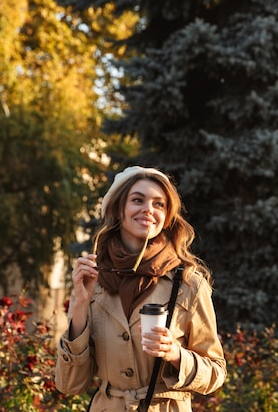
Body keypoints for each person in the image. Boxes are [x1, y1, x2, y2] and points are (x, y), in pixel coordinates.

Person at [55, 166, 226, 411]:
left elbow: (216, 373)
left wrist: (176, 354)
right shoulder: (93, 279)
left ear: (166, 216)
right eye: (138, 200)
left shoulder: (188, 282)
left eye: (159, 204)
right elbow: (70, 384)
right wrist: (81, 304)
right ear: (118, 209)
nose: (149, 209)